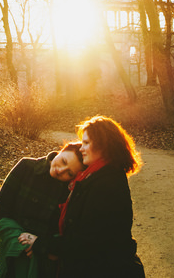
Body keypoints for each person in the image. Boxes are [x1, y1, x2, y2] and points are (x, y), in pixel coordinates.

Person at [27, 115, 145, 278]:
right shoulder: (96, 176)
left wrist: (41, 244)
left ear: (103, 144)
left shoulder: (107, 184)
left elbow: (89, 241)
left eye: (86, 143)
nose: (81, 148)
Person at [0, 142, 85, 278]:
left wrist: (39, 245)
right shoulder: (26, 167)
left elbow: (63, 231)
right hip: (13, 253)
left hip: (44, 262)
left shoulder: (70, 191)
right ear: (62, 150)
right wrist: (22, 244)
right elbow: (0, 211)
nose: (61, 170)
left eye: (69, 173)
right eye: (63, 161)